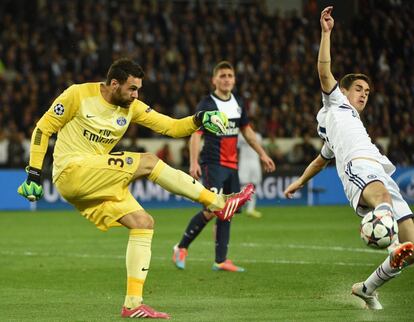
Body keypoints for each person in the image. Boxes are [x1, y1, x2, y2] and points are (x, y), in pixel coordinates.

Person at [17, 58, 255, 319]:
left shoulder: (131, 107)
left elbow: (171, 127)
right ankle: (219, 203)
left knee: (143, 222)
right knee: (148, 161)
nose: (135, 95)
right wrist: (34, 174)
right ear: (114, 83)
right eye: (132, 88)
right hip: (71, 171)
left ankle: (132, 304)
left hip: (97, 179)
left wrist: (200, 119)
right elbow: (43, 128)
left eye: (138, 89)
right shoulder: (78, 94)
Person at [284, 7, 414, 310]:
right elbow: (324, 71)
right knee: (385, 209)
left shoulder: (339, 127)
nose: (364, 94)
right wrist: (326, 33)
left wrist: (299, 181)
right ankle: (387, 236)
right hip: (360, 169)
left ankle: (367, 288)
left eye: (368, 91)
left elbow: (321, 159)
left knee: (412, 247)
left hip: (381, 173)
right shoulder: (335, 104)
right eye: (358, 88)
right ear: (342, 91)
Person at [172, 61, 275, 272]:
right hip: (213, 164)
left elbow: (247, 131)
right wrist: (193, 162)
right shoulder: (207, 104)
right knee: (212, 209)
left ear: (234, 79)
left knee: (227, 211)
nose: (227, 79)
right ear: (214, 80)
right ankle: (180, 247)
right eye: (223, 75)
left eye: (230, 75)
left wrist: (263, 154)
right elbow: (195, 134)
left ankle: (221, 260)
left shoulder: (237, 102)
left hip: (232, 166)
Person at [237, 124, 263, 218]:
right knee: (244, 186)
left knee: (253, 186)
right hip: (244, 163)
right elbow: (237, 150)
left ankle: (250, 209)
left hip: (254, 163)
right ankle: (235, 206)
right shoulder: (240, 136)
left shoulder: (258, 136)